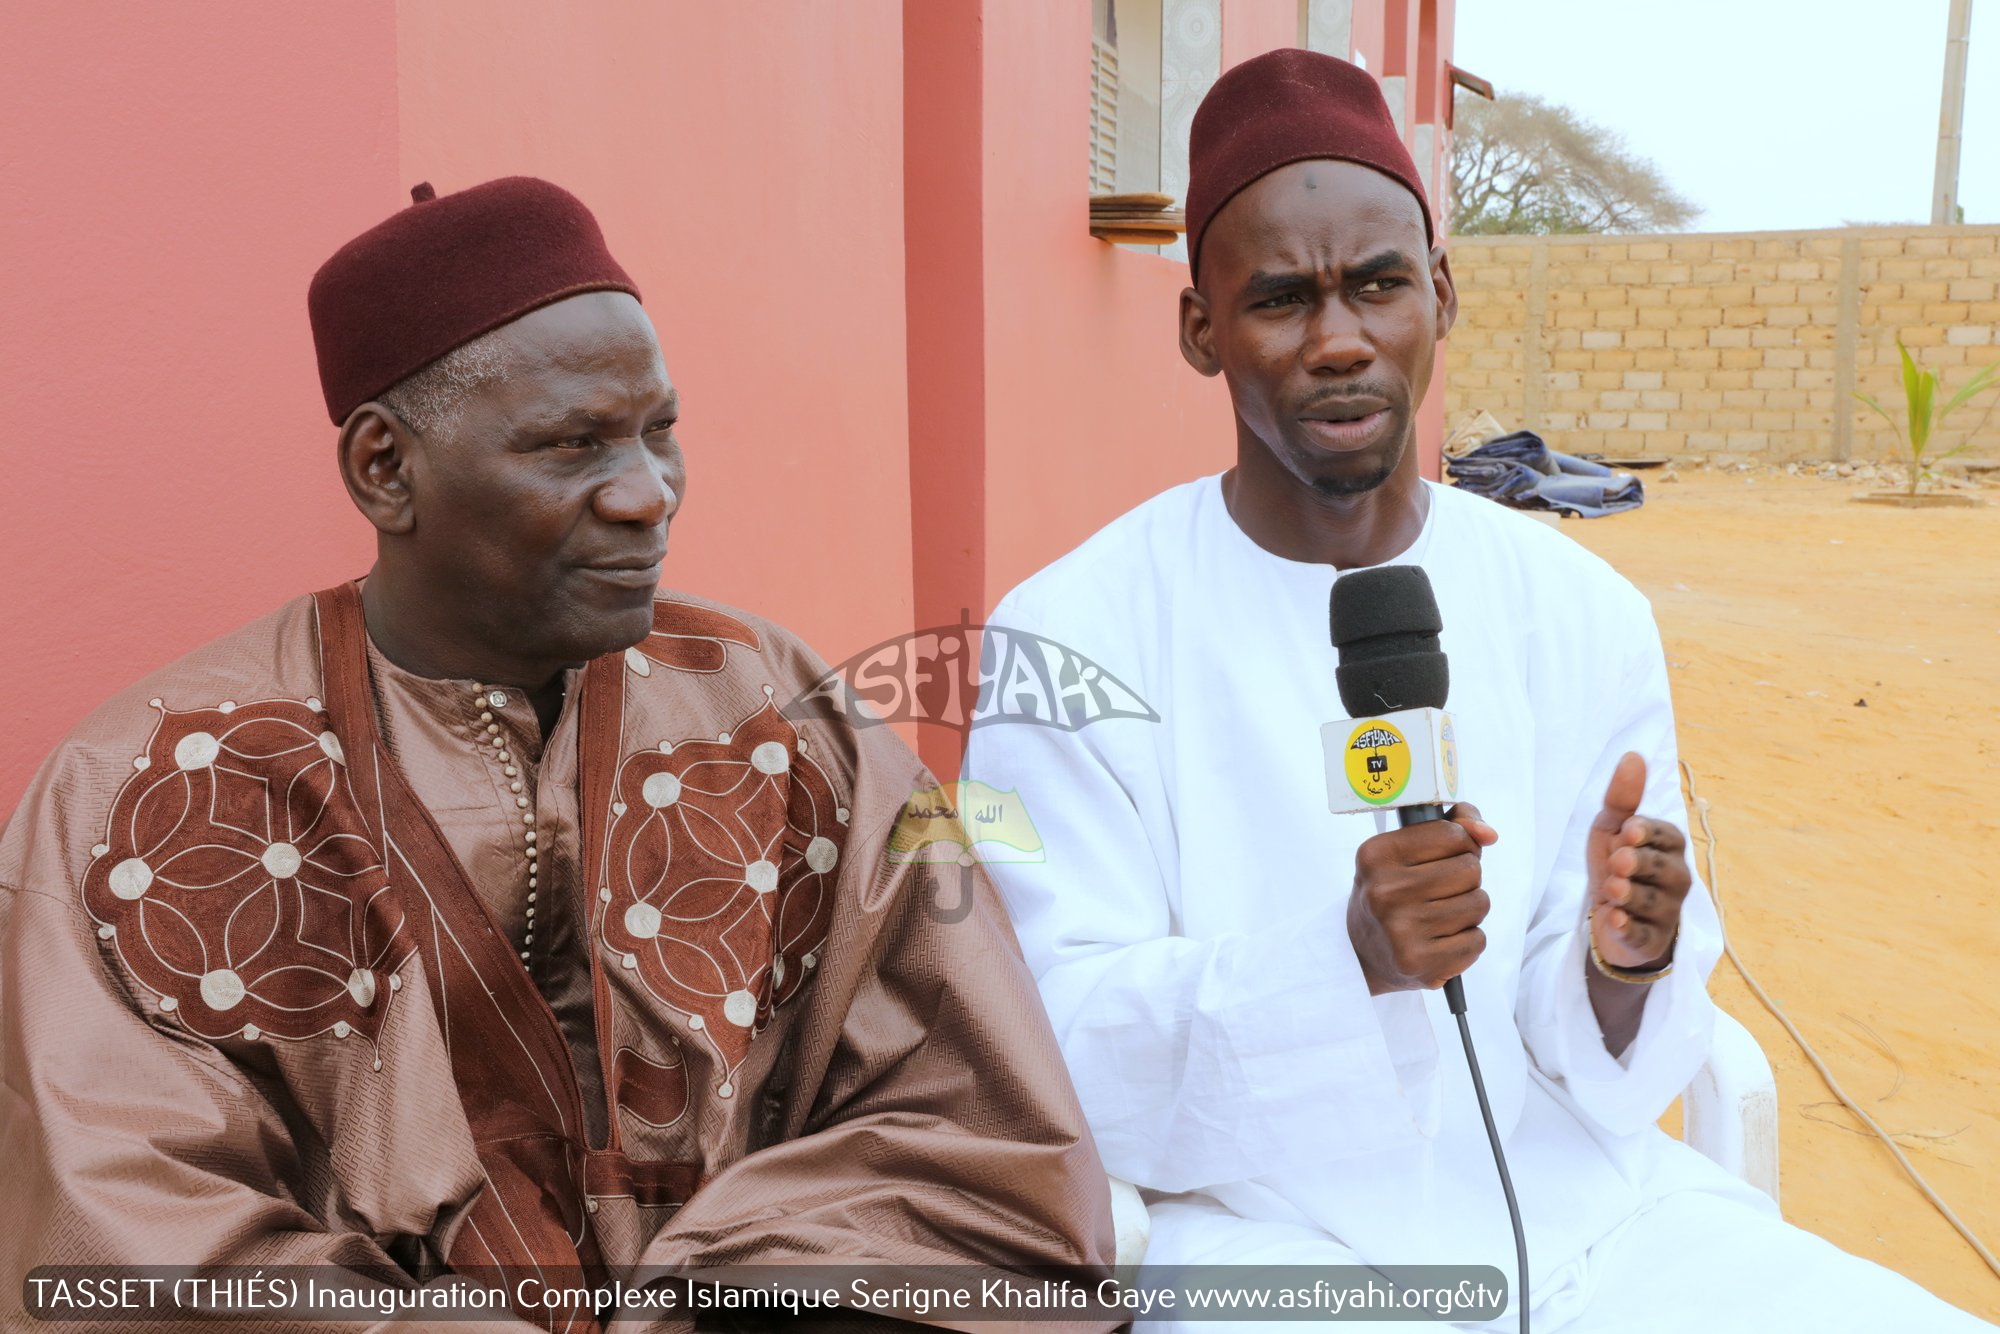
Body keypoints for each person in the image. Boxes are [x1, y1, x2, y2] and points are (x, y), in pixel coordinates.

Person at [962, 50, 1990, 1333]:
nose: (1338, 340)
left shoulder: (1576, 606)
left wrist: (1628, 956)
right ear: (1198, 330)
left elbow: (1595, 1024)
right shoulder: (1071, 635)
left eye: (1378, 284)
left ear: (1438, 298)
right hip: (1259, 1240)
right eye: (1280, 297)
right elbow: (1055, 1037)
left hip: (1590, 1217)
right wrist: (1341, 959)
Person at [0, 177, 1112, 1332]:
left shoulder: (775, 717)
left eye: (658, 431)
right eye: (572, 443)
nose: (645, 494)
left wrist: (731, 1289)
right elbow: (120, 1235)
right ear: (385, 468)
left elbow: (978, 1138)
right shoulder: (151, 785)